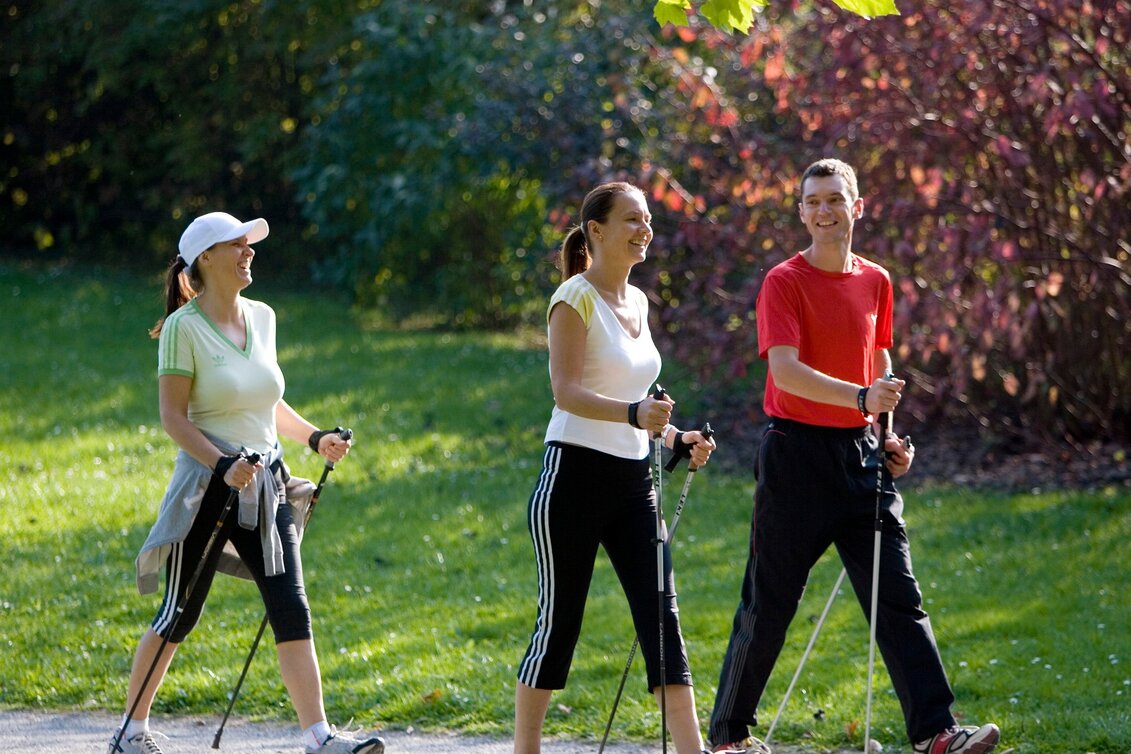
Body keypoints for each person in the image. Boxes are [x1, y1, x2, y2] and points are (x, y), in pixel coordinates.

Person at [708, 159, 1000, 754]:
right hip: (794, 458)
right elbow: (786, 374)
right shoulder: (783, 281)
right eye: (812, 201)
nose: (823, 211)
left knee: (898, 596)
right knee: (768, 604)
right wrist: (861, 398)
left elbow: (879, 364)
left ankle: (937, 734)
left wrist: (887, 432)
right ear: (800, 212)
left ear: (857, 207)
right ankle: (729, 739)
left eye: (834, 200)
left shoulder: (876, 281)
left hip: (862, 458)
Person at [108, 212, 384, 754]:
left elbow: (266, 401)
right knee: (179, 613)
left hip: (267, 483)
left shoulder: (264, 316)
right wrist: (221, 464)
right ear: (205, 259)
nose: (248, 252)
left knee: (291, 605)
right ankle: (130, 732)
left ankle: (319, 736)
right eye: (235, 245)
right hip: (207, 489)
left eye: (248, 245)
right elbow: (174, 418)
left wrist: (314, 439)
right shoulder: (184, 329)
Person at [514, 182, 717, 754]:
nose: (643, 229)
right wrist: (635, 413)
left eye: (647, 219)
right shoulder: (572, 298)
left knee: (663, 622)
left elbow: (638, 396)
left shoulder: (639, 301)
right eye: (631, 219)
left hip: (633, 486)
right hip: (572, 480)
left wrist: (676, 436)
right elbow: (567, 392)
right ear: (596, 231)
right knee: (558, 629)